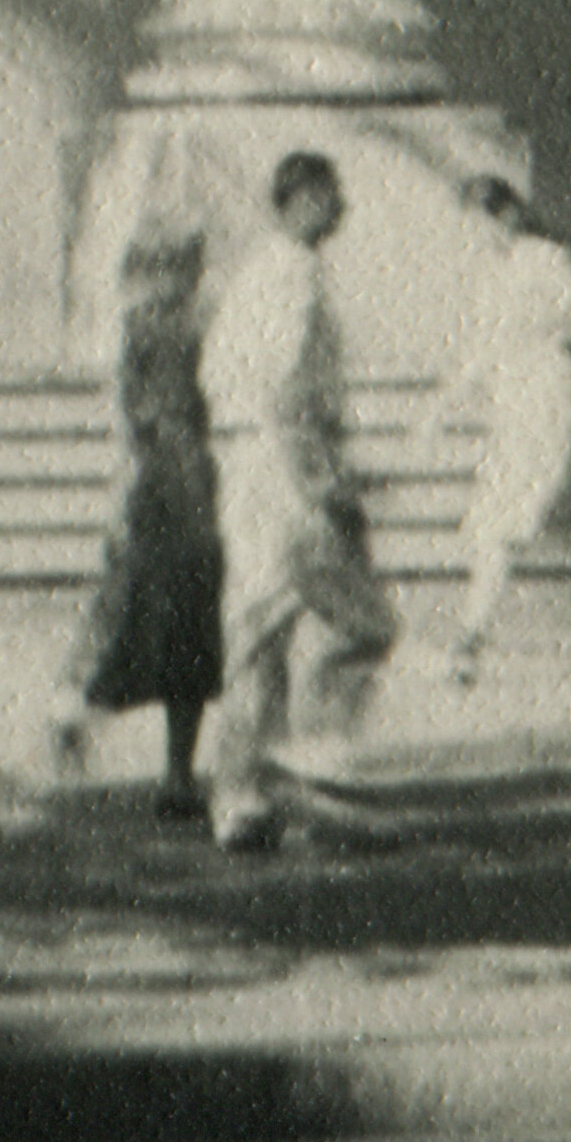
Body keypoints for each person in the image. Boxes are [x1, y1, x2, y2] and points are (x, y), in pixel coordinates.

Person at [198, 144, 395, 853]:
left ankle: (240, 797)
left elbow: (220, 374)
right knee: (364, 624)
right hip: (286, 473)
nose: (344, 206)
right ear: (304, 199)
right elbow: (285, 392)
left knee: (258, 636)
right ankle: (310, 768)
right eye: (332, 193)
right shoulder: (295, 279)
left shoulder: (255, 274)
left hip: (247, 468)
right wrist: (323, 480)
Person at [45, 220, 225, 816]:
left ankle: (175, 773)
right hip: (162, 492)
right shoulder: (151, 331)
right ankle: (76, 718)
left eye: (188, 268)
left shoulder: (182, 327)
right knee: (137, 617)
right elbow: (133, 419)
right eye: (172, 267)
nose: (183, 281)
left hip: (189, 487)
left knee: (185, 630)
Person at [434, 162, 571, 681]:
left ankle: (469, 640)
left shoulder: (546, 259)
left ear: (507, 214)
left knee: (501, 523)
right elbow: (483, 353)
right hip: (511, 404)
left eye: (480, 220)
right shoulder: (487, 275)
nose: (474, 233)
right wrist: (442, 406)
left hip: (549, 400)